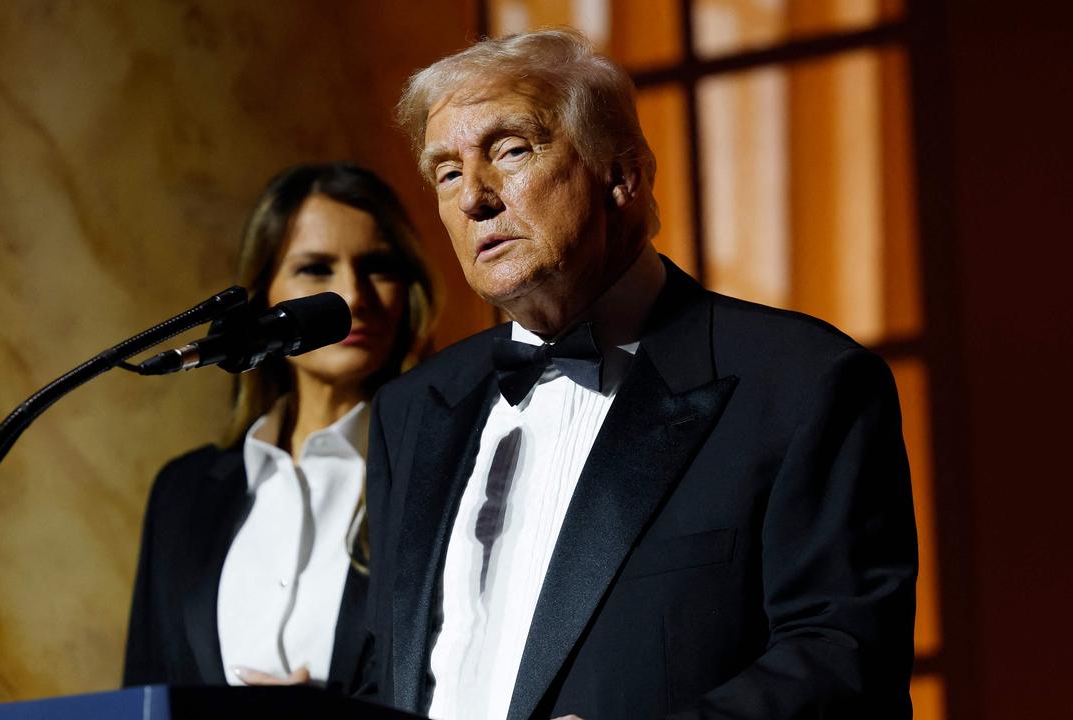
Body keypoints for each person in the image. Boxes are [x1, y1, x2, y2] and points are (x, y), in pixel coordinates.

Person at [361, 29, 917, 719]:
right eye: (447, 172)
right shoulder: (413, 408)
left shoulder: (803, 383)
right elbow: (381, 675)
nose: (474, 196)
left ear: (620, 175)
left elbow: (844, 659)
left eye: (509, 150)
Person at [123, 163, 436, 693]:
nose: (352, 297)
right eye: (316, 269)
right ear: (265, 294)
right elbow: (146, 693)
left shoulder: (439, 475)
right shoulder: (183, 493)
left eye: (378, 267)